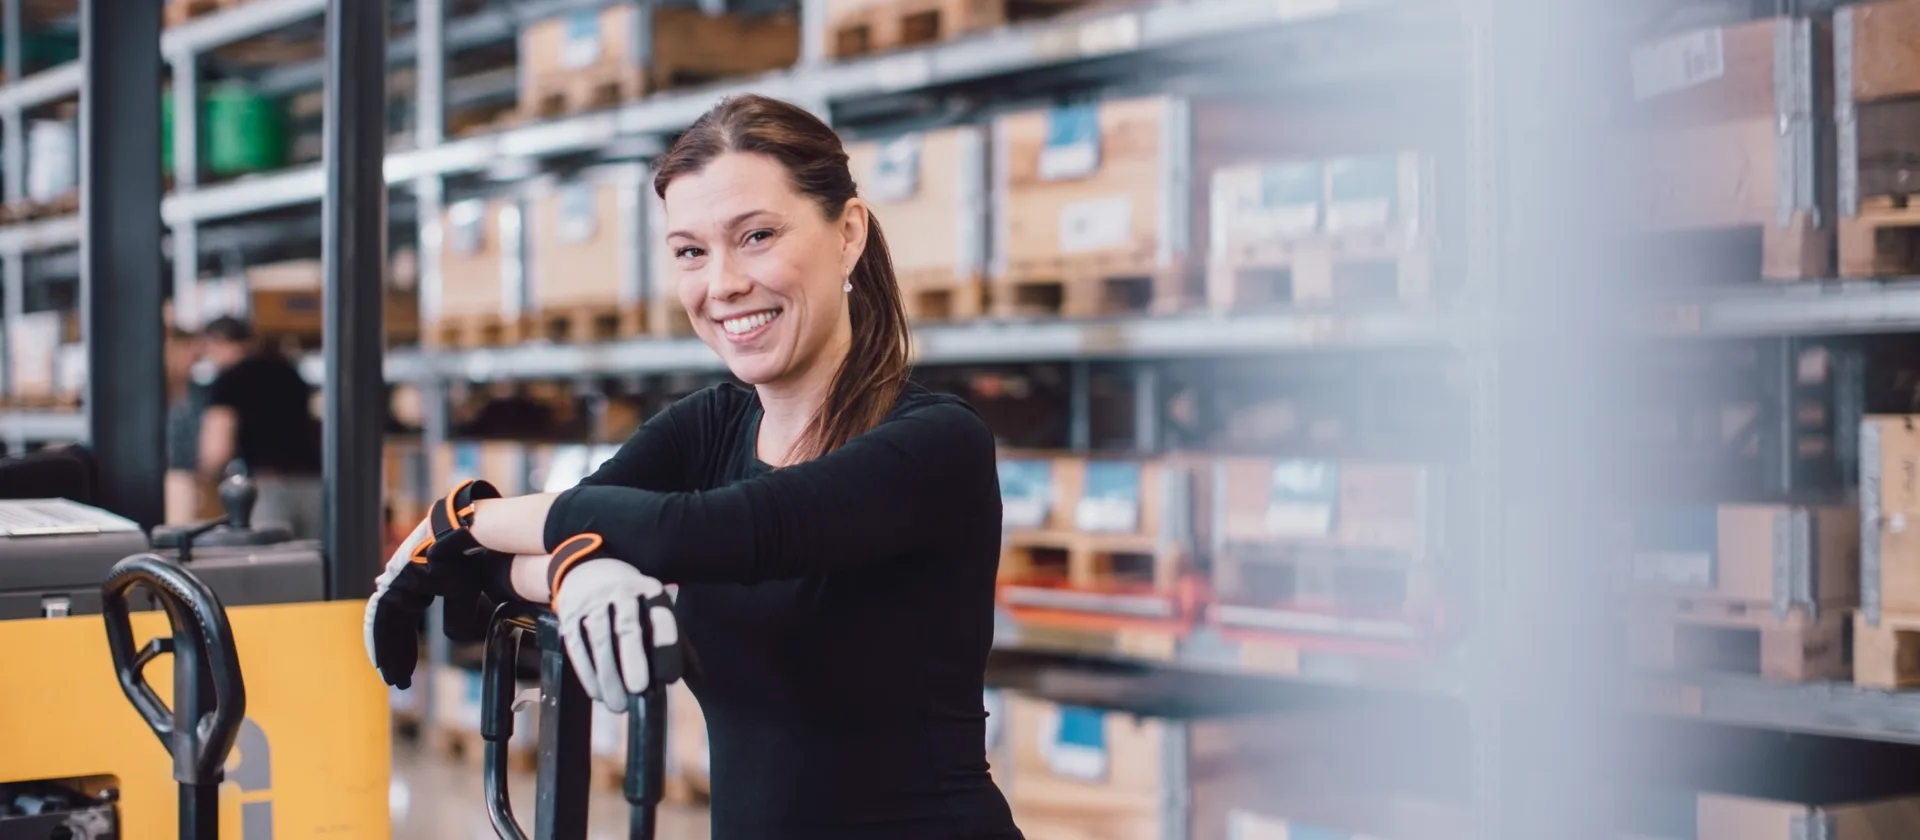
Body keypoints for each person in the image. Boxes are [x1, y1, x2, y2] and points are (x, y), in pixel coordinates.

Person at [364, 94, 1022, 840]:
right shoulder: (710, 426)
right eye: (690, 252)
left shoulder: (935, 444)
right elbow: (511, 556)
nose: (723, 282)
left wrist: (465, 517)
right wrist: (574, 571)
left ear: (848, 233)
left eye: (757, 236)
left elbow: (708, 531)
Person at [195, 315, 324, 538]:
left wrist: (203, 479)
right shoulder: (289, 372)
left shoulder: (228, 381)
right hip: (315, 486)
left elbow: (216, 450)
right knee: (315, 556)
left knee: (271, 556)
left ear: (218, 342)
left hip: (267, 490)